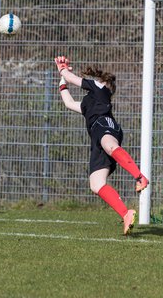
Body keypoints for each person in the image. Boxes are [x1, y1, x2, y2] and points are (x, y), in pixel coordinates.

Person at [54, 56, 149, 235]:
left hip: (105, 125)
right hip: (96, 137)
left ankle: (139, 177)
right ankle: (126, 213)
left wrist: (63, 69)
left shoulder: (100, 89)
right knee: (96, 184)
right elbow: (68, 103)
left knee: (109, 146)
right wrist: (62, 80)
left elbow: (74, 79)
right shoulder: (88, 103)